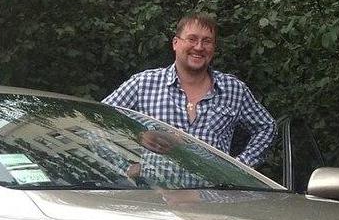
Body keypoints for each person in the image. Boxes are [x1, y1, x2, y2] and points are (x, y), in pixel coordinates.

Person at [103, 12, 278, 171]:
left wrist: (240, 168)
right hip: (153, 199)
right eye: (192, 39)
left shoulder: (233, 90)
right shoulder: (143, 84)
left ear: (213, 47)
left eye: (207, 41)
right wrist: (125, 165)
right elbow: (97, 120)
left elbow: (267, 128)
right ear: (175, 43)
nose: (199, 47)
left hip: (213, 199)